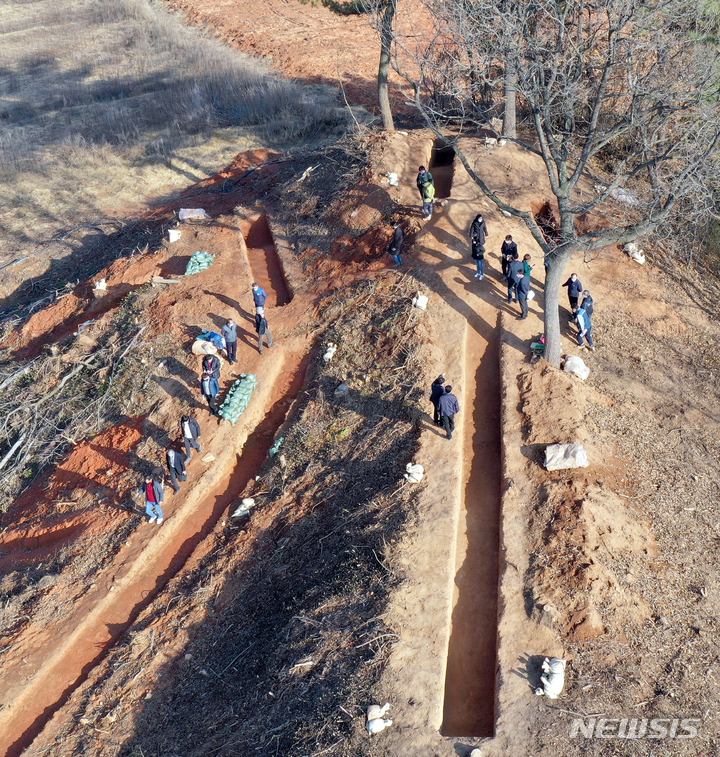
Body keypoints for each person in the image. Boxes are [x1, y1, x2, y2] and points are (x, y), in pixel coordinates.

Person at [470, 213, 488, 279]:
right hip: (477, 236)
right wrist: (472, 235)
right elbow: (472, 229)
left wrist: (486, 233)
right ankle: (478, 272)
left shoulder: (483, 222)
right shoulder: (474, 222)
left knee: (480, 265)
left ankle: (482, 274)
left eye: (481, 218)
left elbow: (485, 228)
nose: (480, 219)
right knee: (477, 265)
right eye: (479, 218)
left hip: (481, 237)